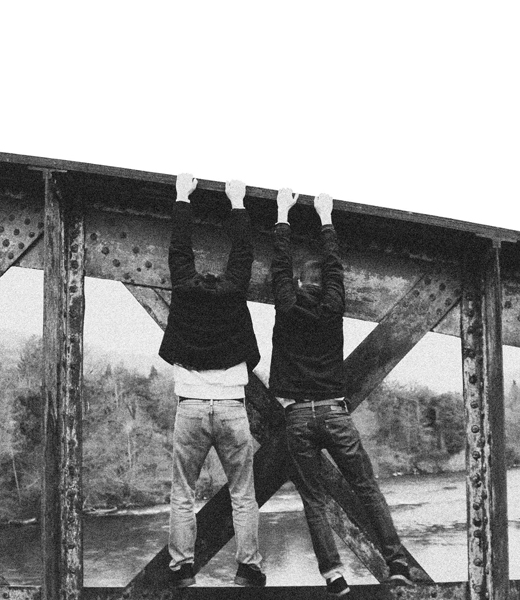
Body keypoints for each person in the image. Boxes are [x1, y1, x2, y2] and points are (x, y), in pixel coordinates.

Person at [269, 188, 413, 597]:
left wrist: (282, 212)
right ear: (325, 286)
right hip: (335, 413)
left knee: (314, 500)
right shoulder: (333, 310)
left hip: (298, 416)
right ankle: (396, 563)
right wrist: (326, 218)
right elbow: (335, 266)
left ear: (298, 283)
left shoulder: (286, 307)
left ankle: (333, 576)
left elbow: (279, 264)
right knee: (366, 487)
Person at [158, 173, 265, 588]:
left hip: (190, 406)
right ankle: (248, 568)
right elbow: (243, 254)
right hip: (232, 406)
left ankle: (182, 568)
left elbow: (178, 250)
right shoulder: (233, 292)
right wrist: (237, 203)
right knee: (243, 494)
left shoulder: (184, 292)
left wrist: (182, 196)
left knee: (182, 494)